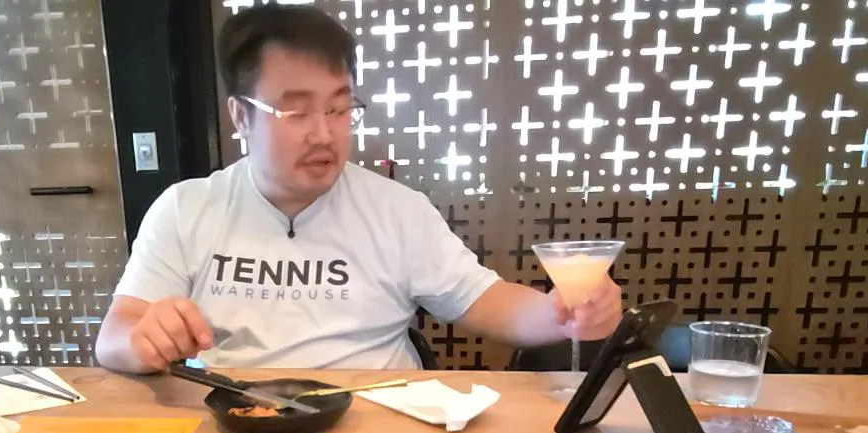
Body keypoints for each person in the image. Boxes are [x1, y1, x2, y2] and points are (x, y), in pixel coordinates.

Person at [96, 4, 622, 373]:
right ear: (240, 115)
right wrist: (143, 340)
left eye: (339, 107)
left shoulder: (397, 210)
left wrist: (561, 313)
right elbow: (115, 337)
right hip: (237, 426)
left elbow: (487, 302)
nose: (324, 133)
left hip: (378, 428)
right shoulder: (186, 209)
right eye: (296, 111)